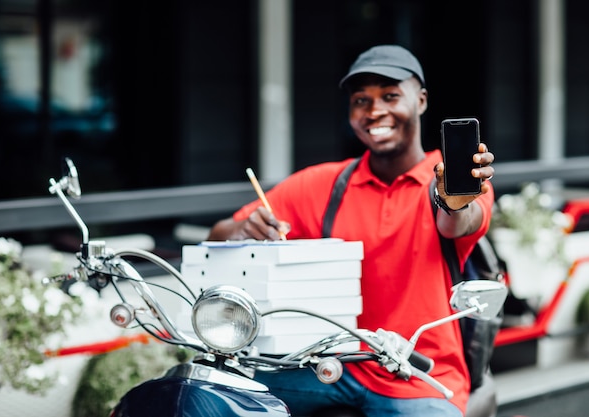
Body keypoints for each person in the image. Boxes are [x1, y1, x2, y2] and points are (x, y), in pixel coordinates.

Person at [207, 44, 495, 417]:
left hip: (421, 375)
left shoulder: (450, 179)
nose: (375, 111)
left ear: (421, 101)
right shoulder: (323, 184)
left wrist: (452, 200)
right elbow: (218, 234)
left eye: (390, 96)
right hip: (330, 367)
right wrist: (246, 229)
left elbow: (460, 221)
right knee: (212, 397)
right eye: (361, 100)